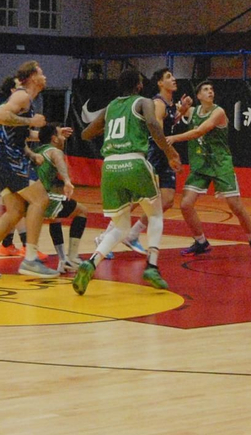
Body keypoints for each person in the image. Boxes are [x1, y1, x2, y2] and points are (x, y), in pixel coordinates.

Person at [72, 67, 182, 295]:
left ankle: (91, 262)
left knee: (120, 225)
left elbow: (86, 134)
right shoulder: (144, 102)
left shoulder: (111, 106)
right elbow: (153, 124)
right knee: (155, 213)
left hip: (110, 167)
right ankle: (152, 265)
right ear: (139, 85)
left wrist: (110, 129)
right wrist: (170, 152)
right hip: (134, 161)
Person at [0, 62, 59, 279]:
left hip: (5, 156)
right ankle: (31, 260)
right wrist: (31, 121)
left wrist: (36, 145)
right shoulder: (22, 96)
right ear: (33, 76)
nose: (45, 76)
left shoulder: (27, 100)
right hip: (7, 157)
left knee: (16, 211)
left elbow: (14, 134)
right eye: (41, 72)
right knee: (40, 200)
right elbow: (0, 115)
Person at [167, 80, 251, 258]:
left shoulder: (218, 112)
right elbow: (172, 120)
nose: (210, 92)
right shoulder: (192, 111)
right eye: (205, 89)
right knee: (185, 204)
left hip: (220, 163)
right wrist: (182, 110)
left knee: (235, 206)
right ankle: (200, 241)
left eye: (211, 89)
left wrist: (174, 138)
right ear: (198, 96)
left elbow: (199, 132)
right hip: (201, 164)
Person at [26, 124, 92, 274]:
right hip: (41, 197)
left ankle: (63, 260)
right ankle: (73, 257)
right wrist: (67, 180)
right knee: (82, 211)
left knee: (55, 218)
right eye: (60, 135)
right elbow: (59, 160)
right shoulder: (54, 151)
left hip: (29, 199)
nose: (64, 138)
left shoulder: (36, 151)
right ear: (54, 139)